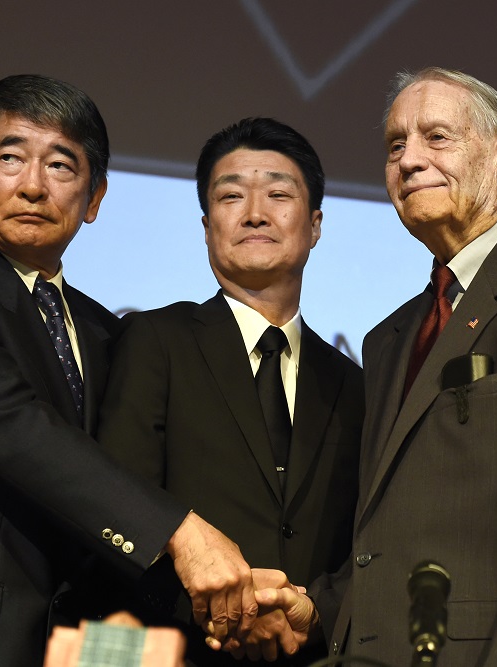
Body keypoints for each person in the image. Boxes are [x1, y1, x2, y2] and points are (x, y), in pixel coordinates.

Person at [252, 66, 497, 665]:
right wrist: (320, 608)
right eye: (394, 145)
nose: (409, 160)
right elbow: (392, 534)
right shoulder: (390, 336)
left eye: (436, 137)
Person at [0, 74, 241, 666]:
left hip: (77, 648)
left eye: (61, 166)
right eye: (9, 157)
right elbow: (16, 429)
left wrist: (230, 594)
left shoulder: (106, 332)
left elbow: (117, 484)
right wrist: (181, 534)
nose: (33, 185)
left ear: (94, 199)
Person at [92, 117, 363, 665]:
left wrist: (313, 616)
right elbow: (118, 504)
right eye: (232, 195)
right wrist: (218, 614)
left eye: (279, 194)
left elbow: (367, 544)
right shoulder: (156, 341)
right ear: (207, 224)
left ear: (315, 225)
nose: (255, 213)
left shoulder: (352, 382)